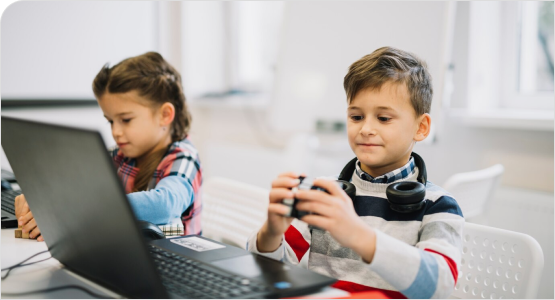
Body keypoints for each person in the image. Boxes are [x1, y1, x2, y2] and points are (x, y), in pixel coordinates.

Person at [247, 47, 464, 299]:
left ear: (421, 127)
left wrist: (360, 236)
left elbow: (440, 286)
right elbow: (268, 272)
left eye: (383, 118)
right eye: (356, 116)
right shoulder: (327, 193)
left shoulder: (439, 206)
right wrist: (271, 232)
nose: (366, 129)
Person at [14, 52, 203, 241]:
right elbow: (73, 181)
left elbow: (165, 205)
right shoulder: (119, 154)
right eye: (110, 121)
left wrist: (81, 207)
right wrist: (40, 198)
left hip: (174, 261)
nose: (116, 132)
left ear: (165, 115)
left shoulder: (184, 158)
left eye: (126, 120)